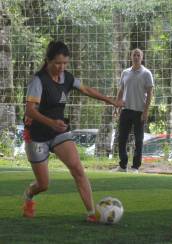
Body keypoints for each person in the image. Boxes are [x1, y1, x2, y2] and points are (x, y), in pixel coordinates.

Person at [22, 41, 121, 222]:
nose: (62, 67)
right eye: (58, 63)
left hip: (59, 132)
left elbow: (86, 89)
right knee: (43, 184)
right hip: (36, 135)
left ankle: (92, 214)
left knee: (77, 169)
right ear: (48, 61)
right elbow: (29, 110)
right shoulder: (38, 80)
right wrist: (51, 122)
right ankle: (28, 195)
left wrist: (110, 100)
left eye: (65, 63)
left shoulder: (67, 78)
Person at [112, 48, 154, 173]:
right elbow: (121, 90)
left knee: (138, 140)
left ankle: (135, 167)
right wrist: (116, 105)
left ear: (142, 57)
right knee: (122, 138)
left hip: (139, 111)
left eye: (138, 55)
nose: (136, 57)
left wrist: (146, 111)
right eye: (134, 55)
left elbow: (150, 93)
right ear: (131, 57)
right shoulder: (125, 72)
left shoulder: (147, 73)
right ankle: (122, 165)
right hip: (126, 110)